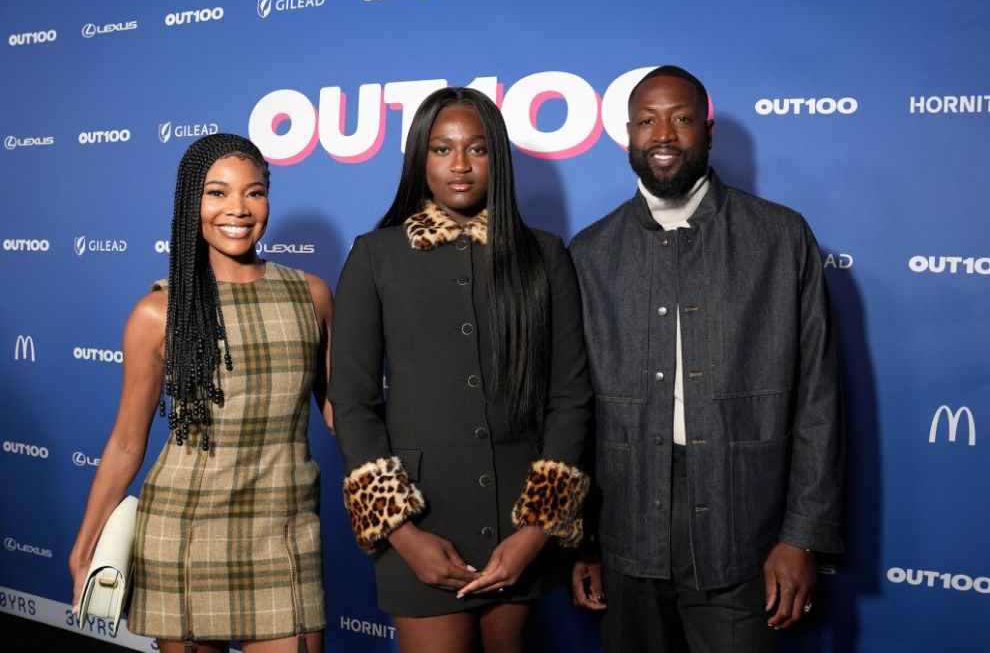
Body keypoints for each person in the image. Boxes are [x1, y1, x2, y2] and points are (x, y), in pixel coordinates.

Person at [568, 66, 844, 653]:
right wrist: (581, 539)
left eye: (681, 118)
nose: (663, 134)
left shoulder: (780, 237)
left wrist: (802, 537)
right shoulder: (590, 252)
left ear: (709, 132)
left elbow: (819, 396)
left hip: (745, 529)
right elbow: (574, 407)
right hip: (626, 527)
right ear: (628, 136)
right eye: (647, 121)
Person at [329, 87, 592, 652]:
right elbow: (351, 403)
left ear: (497, 157)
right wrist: (400, 532)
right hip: (421, 521)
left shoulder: (544, 255)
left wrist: (536, 529)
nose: (460, 165)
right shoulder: (376, 255)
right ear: (420, 159)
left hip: (517, 525)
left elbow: (570, 398)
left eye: (476, 149)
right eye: (442, 149)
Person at [69, 134, 334, 653]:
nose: (237, 208)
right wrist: (84, 547)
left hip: (285, 529)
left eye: (253, 192)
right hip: (185, 531)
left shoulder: (312, 294)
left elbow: (342, 411)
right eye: (217, 193)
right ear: (192, 203)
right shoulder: (158, 313)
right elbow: (127, 442)